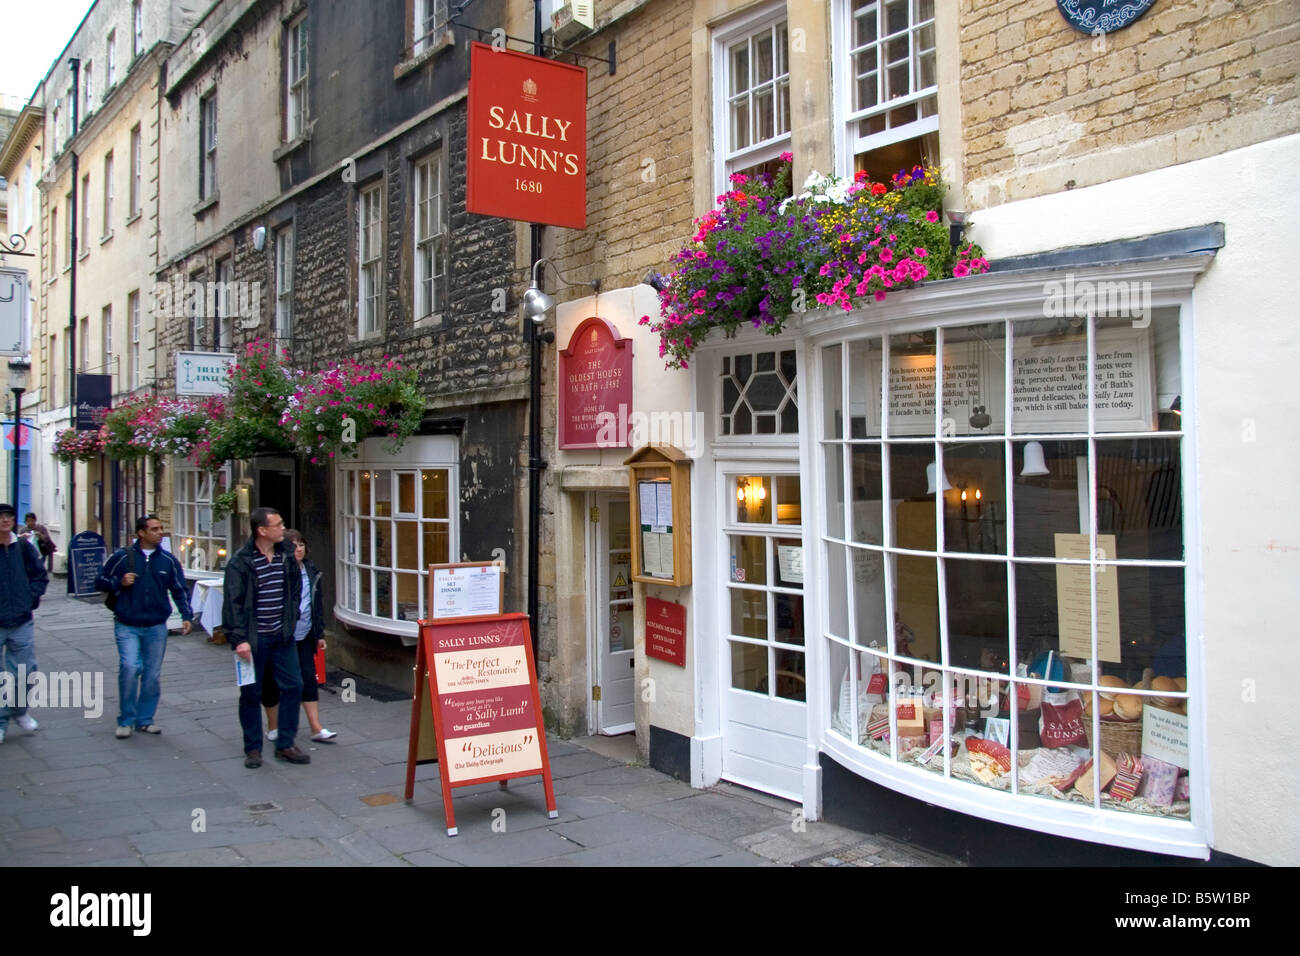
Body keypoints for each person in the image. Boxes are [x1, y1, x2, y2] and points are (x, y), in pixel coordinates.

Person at [223, 506, 310, 767]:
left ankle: (285, 743)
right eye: (278, 525)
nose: (283, 529)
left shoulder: (285, 556)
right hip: (253, 639)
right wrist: (238, 639)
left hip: (282, 637)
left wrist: (291, 620)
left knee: (294, 685)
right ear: (262, 530)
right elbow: (233, 602)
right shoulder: (241, 562)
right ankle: (253, 748)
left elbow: (294, 590)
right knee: (251, 692)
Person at [95, 515, 194, 738]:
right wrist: (119, 582)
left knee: (152, 675)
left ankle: (145, 719)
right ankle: (126, 719)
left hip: (156, 625)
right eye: (155, 529)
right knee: (130, 668)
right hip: (127, 623)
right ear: (141, 533)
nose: (160, 532)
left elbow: (179, 589)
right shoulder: (122, 557)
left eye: (161, 528)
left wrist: (186, 615)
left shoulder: (167, 560)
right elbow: (99, 580)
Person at [264, 530, 337, 744]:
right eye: (293, 545)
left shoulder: (312, 571)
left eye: (301, 544)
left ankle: (316, 727)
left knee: (307, 679)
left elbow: (317, 605)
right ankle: (273, 726)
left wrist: (319, 633)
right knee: (273, 682)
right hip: (278, 636)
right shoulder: (277, 571)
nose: (298, 548)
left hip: (304, 634)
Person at [0, 503, 49, 744]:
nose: (5, 520)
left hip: (20, 619)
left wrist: (30, 598)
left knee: (25, 671)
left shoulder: (23, 548)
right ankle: (0, 722)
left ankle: (19, 712)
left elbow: (40, 575)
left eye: (9, 516)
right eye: (1, 517)